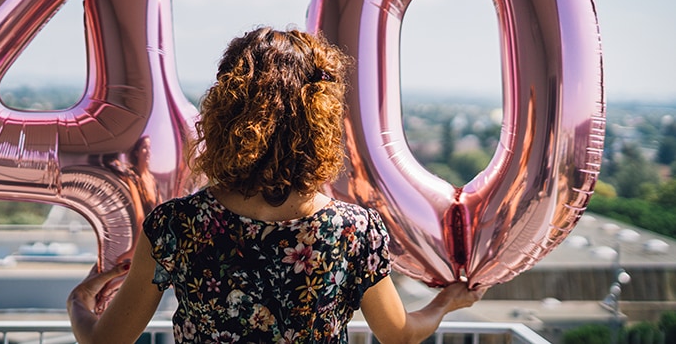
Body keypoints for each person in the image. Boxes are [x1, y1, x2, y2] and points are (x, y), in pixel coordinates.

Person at [68, 27, 486, 344]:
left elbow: (107, 342)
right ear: (321, 122)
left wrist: (79, 303)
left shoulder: (176, 225)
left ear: (225, 113)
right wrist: (446, 302)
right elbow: (398, 335)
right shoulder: (354, 231)